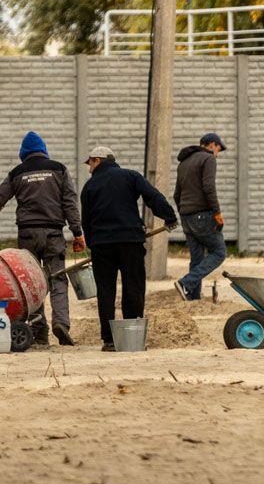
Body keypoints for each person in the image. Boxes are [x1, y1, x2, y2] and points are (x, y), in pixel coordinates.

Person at [0, 131, 84, 346]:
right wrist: (77, 232)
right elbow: (70, 203)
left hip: (27, 234)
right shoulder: (59, 169)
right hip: (53, 233)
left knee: (31, 282)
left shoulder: (17, 173)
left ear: (23, 154)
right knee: (57, 277)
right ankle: (61, 323)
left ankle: (38, 330)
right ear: (44, 150)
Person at [79, 145, 178, 351]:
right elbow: (153, 196)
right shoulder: (130, 176)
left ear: (98, 160)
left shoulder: (89, 187)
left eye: (90, 164)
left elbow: (86, 220)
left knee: (105, 291)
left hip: (102, 245)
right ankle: (132, 336)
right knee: (133, 287)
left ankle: (109, 340)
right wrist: (169, 217)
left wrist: (92, 243)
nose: (89, 169)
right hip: (130, 241)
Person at [172, 132, 228, 301]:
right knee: (219, 252)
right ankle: (185, 283)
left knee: (196, 259)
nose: (217, 153)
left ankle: (192, 298)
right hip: (202, 216)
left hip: (186, 217)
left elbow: (177, 194)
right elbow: (209, 187)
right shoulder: (208, 158)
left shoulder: (184, 163)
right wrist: (217, 212)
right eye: (218, 149)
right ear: (212, 144)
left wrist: (184, 211)